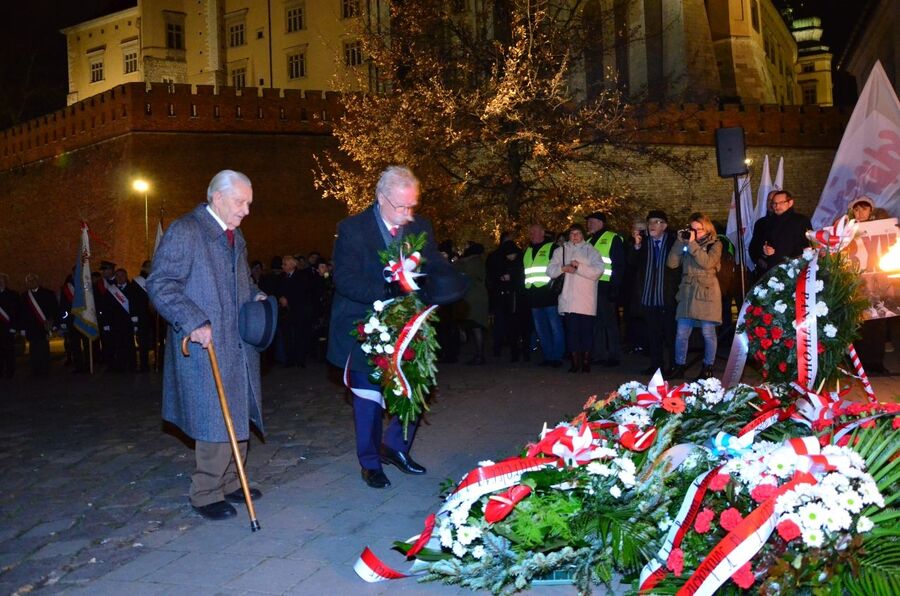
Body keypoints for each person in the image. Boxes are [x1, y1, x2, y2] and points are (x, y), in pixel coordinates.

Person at [327, 165, 466, 489]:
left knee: (415, 386)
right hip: (364, 323)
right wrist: (385, 290)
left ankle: (396, 447)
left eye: (411, 206)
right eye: (401, 207)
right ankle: (370, 462)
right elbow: (345, 279)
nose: (407, 214)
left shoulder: (421, 227)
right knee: (368, 397)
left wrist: (450, 281)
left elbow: (432, 262)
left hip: (409, 322)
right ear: (381, 199)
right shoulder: (353, 229)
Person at [147, 170, 267, 521]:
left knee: (239, 410)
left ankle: (232, 481)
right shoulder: (186, 231)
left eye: (249, 203)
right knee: (215, 418)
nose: (246, 210)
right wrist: (192, 319)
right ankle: (205, 492)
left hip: (236, 341)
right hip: (204, 341)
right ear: (217, 197)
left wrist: (254, 295)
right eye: (240, 202)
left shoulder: (234, 234)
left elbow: (239, 280)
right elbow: (161, 284)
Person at [666, 213, 722, 380]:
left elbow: (707, 263)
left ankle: (708, 367)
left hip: (706, 291)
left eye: (699, 229)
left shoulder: (715, 244)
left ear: (707, 228)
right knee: (682, 332)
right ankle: (679, 365)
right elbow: (672, 263)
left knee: (708, 332)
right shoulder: (686, 242)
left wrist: (691, 244)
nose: (696, 232)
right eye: (693, 229)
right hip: (687, 291)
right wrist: (678, 242)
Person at [547, 224, 605, 373]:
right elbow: (550, 271)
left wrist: (578, 267)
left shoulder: (591, 251)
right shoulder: (561, 251)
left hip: (586, 299)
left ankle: (586, 362)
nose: (575, 236)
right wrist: (563, 269)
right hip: (568, 299)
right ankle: (574, 362)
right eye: (572, 233)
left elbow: (597, 272)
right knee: (571, 333)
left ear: (583, 235)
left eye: (578, 233)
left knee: (586, 332)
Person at [628, 210, 680, 375]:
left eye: (656, 222)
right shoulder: (642, 243)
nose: (652, 225)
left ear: (664, 226)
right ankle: (656, 365)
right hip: (649, 295)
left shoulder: (673, 241)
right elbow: (631, 263)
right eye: (650, 222)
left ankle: (673, 365)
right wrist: (636, 245)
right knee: (653, 334)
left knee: (670, 334)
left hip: (667, 295)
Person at [586, 212, 625, 367]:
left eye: (592, 221)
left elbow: (619, 265)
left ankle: (614, 355)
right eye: (588, 222)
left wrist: (615, 286)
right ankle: (600, 354)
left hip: (606, 285)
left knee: (609, 322)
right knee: (597, 322)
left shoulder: (612, 238)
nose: (589, 224)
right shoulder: (589, 240)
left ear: (601, 222)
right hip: (591, 286)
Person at [523, 223, 564, 367]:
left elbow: (559, 270)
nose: (531, 234)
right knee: (541, 330)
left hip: (549, 295)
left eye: (534, 231)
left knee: (555, 328)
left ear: (542, 232)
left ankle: (557, 357)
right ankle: (548, 356)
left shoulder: (552, 248)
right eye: (530, 232)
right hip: (534, 296)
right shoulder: (527, 250)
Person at [748, 190, 811, 273]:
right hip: (771, 271)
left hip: (794, 270)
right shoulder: (768, 222)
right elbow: (759, 245)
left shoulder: (801, 220)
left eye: (781, 202)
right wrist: (765, 251)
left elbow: (808, 245)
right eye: (774, 203)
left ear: (790, 203)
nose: (777, 206)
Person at [454, 242, 490, 365]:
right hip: (479, 296)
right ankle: (479, 354)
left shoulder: (469, 262)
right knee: (476, 327)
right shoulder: (479, 261)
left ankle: (479, 356)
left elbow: (459, 270)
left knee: (475, 327)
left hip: (472, 297)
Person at [277, 255, 316, 368]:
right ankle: (289, 359)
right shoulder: (281, 277)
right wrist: (281, 297)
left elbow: (302, 292)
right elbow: (277, 289)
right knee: (287, 336)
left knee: (299, 336)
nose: (282, 266)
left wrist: (288, 299)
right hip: (286, 313)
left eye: (285, 264)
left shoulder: (301, 276)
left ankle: (300, 360)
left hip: (298, 311)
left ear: (292, 265)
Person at [21, 273, 58, 376]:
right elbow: (22, 313)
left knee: (44, 348)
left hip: (44, 326)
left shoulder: (48, 293)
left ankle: (44, 369)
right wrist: (22, 328)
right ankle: (35, 370)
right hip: (31, 327)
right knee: (33, 349)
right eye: (28, 281)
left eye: (33, 280)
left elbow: (54, 310)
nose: (31, 282)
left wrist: (54, 324)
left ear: (38, 281)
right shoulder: (24, 296)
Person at [0, 273, 19, 378]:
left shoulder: (13, 295)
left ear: (5, 282)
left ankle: (10, 371)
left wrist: (14, 327)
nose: (0, 282)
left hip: (8, 328)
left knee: (9, 351)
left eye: (1, 280)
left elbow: (16, 312)